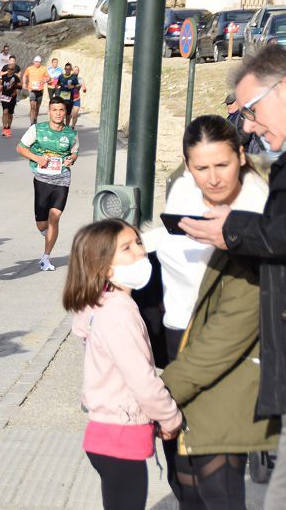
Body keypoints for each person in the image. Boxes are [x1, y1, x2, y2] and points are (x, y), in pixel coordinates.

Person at [178, 44, 286, 506]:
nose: (251, 125)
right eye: (201, 168)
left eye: (253, 109)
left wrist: (233, 231)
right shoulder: (180, 193)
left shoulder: (262, 190)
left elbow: (279, 236)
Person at [147, 115, 273, 507]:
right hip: (176, 336)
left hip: (232, 352)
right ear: (187, 166)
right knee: (184, 478)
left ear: (241, 155)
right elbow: (165, 244)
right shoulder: (183, 191)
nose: (213, 177)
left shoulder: (261, 210)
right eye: (201, 167)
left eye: (223, 164)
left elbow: (241, 315)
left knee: (217, 481)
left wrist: (163, 389)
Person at [64, 219, 183, 510]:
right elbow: (142, 380)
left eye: (138, 242)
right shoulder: (120, 314)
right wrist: (170, 418)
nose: (140, 252)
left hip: (106, 433)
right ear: (105, 267)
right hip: (121, 436)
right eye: (127, 248)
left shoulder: (101, 304)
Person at [16, 97, 78, 272]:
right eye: (54, 110)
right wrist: (37, 158)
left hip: (62, 180)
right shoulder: (37, 129)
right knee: (42, 224)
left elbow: (74, 153)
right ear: (49, 111)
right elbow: (20, 148)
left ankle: (46, 257)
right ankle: (47, 234)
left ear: (65, 112)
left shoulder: (71, 133)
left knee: (55, 217)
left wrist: (71, 160)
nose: (58, 113)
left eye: (61, 110)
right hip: (42, 179)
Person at [23, 56, 50, 125]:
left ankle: (35, 118)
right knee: (32, 106)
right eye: (36, 62)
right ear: (34, 62)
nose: (37, 63)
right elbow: (24, 75)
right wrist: (24, 83)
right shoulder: (29, 68)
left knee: (37, 107)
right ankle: (32, 123)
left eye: (39, 62)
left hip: (40, 90)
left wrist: (46, 80)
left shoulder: (43, 69)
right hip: (32, 89)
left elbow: (48, 77)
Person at [0, 62, 22, 138]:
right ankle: (4, 128)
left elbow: (20, 86)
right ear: (7, 69)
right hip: (4, 96)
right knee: (5, 112)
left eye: (11, 69)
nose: (10, 70)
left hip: (12, 97)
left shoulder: (15, 77)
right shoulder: (3, 76)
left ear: (14, 70)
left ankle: (8, 128)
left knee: (10, 114)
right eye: (8, 69)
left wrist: (15, 86)